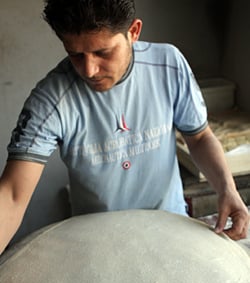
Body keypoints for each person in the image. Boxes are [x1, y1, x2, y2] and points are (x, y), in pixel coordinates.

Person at [0, 0, 249, 255]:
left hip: (170, 228)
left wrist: (227, 189)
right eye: (75, 54)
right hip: (98, 243)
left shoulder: (168, 65)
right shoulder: (51, 99)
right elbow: (11, 195)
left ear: (133, 32)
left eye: (103, 52)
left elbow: (198, 137)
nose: (89, 70)